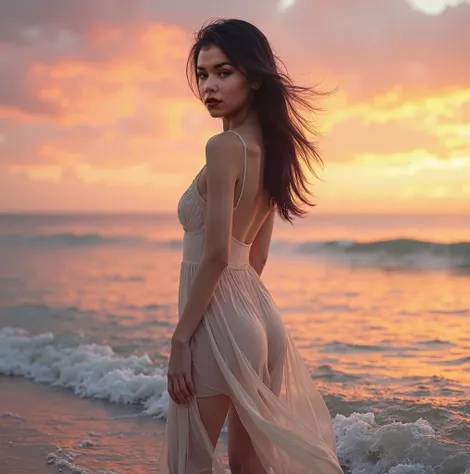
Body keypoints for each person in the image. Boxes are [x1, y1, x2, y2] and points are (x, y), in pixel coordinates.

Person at [159, 18, 344, 474]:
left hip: (224, 319)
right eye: (202, 74)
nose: (209, 86)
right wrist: (243, 323)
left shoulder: (224, 148)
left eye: (224, 72)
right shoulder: (276, 149)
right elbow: (254, 256)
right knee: (249, 467)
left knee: (190, 463)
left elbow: (218, 254)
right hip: (262, 318)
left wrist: (182, 338)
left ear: (255, 78)